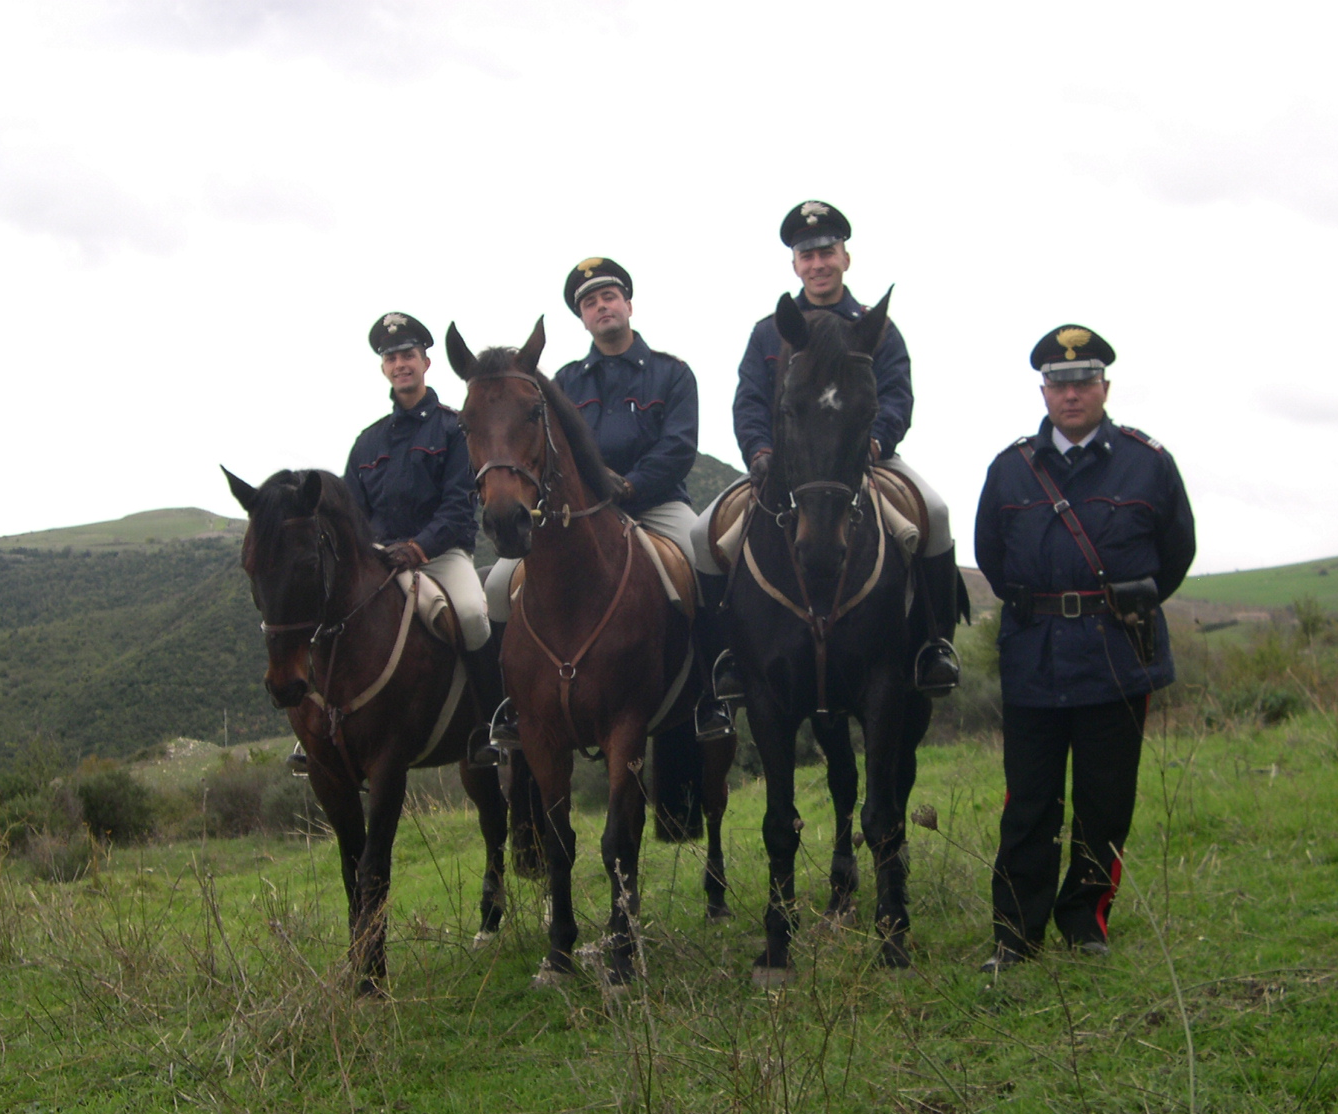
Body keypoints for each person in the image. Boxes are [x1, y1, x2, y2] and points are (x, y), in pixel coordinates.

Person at [973, 324, 1196, 971]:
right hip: (1034, 658)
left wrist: (1121, 605)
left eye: (1084, 381)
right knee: (1030, 803)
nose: (1071, 394)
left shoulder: (1147, 461)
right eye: (1059, 383)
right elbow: (991, 554)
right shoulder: (1010, 469)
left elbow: (1176, 553)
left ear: (1104, 387)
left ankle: (1086, 920)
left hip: (1116, 658)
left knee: (1105, 801)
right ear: (1044, 390)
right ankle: (1015, 934)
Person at [690, 199, 963, 695]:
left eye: (827, 252)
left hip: (863, 457)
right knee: (700, 535)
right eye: (806, 255)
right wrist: (758, 453)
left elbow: (897, 393)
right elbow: (749, 400)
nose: (817, 263)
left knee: (938, 513)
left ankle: (935, 645)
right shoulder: (768, 332)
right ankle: (727, 655)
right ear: (795, 264)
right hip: (786, 465)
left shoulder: (873, 325)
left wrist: (879, 443)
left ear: (845, 258)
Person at [483, 257, 734, 740]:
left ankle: (712, 692)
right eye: (590, 302)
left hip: (656, 506)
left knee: (702, 553)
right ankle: (509, 708)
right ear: (583, 318)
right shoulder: (565, 381)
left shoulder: (672, 373)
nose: (601, 307)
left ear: (628, 304)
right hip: (580, 512)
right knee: (497, 587)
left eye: (609, 297)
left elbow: (679, 448)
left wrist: (633, 485)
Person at [347, 311, 503, 767]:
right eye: (392, 357)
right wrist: (372, 555)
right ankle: (322, 729)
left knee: (474, 615)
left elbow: (458, 506)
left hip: (440, 556)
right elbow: (355, 515)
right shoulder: (366, 442)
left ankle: (495, 723)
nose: (401, 364)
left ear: (426, 363)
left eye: (409, 355)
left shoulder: (456, 428)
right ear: (384, 368)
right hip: (379, 562)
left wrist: (417, 547)